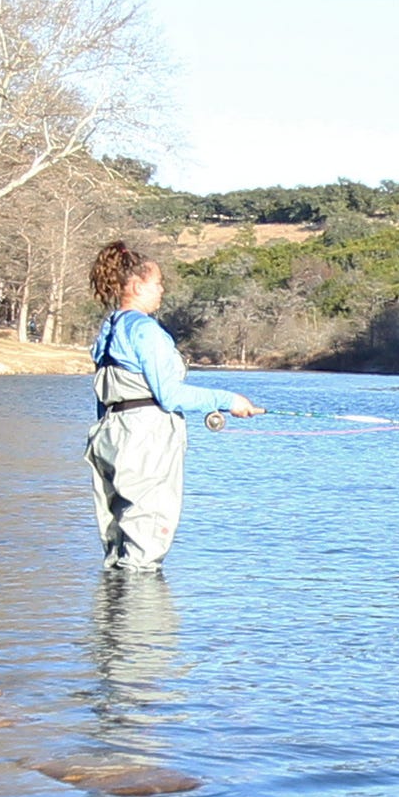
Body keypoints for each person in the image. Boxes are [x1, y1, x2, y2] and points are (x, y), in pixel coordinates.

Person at [84, 240, 260, 569]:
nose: (162, 289)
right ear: (136, 285)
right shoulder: (145, 330)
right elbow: (170, 395)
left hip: (107, 435)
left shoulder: (109, 328)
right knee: (145, 545)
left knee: (117, 544)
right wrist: (229, 400)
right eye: (157, 282)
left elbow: (105, 394)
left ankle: (112, 618)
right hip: (145, 439)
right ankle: (141, 618)